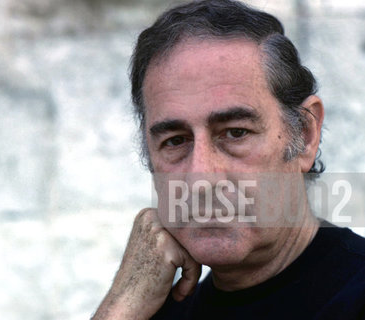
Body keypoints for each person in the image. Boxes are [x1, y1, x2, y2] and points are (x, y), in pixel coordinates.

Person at [92, 0, 365, 319]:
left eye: (235, 132)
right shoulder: (146, 311)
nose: (202, 177)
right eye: (175, 141)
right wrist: (121, 305)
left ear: (304, 135)